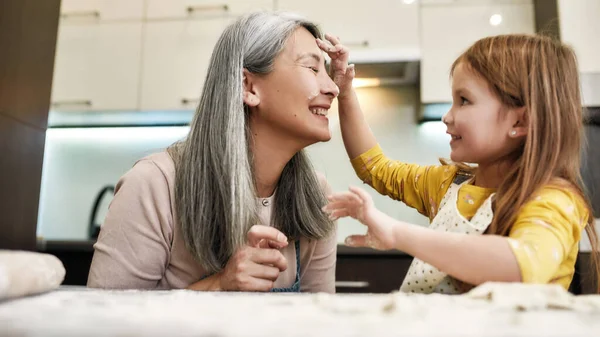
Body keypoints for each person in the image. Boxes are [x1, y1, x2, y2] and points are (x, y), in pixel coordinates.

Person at [319, 33, 600, 294]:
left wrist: (396, 233)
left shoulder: (554, 200)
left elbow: (519, 265)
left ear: (520, 121)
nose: (447, 116)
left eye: (464, 100)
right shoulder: (447, 185)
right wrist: (345, 92)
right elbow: (375, 168)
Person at [87, 11, 339, 293]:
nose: (332, 88)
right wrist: (219, 285)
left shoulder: (318, 195)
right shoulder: (153, 184)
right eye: (312, 69)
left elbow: (319, 318)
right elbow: (104, 320)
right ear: (248, 86)